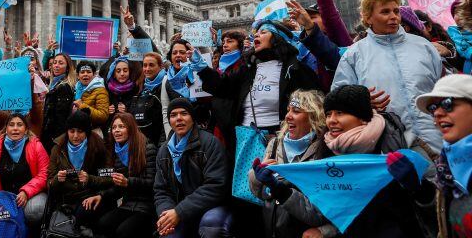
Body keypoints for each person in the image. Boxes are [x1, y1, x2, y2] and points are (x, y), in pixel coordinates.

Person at [304, 84, 431, 237]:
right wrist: (282, 192)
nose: (331, 120)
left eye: (340, 113)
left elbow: (435, 202)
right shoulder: (324, 148)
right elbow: (326, 209)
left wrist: (417, 187)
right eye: (328, 114)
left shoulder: (398, 140)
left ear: (362, 117)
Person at [332, 0, 444, 154]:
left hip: (434, 137)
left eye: (396, 11)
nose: (393, 16)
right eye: (385, 11)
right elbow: (338, 99)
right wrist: (361, 102)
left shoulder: (424, 46)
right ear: (367, 17)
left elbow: (442, 88)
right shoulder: (354, 55)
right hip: (386, 142)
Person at [248, 89, 331, 237]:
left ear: (314, 116)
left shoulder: (324, 149)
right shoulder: (275, 143)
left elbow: (327, 208)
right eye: (288, 110)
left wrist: (281, 189)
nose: (288, 116)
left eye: (296, 111)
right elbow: (262, 195)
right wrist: (257, 177)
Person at [153, 98, 232, 237]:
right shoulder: (164, 150)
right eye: (173, 115)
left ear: (192, 118)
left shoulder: (210, 143)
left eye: (184, 113)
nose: (179, 118)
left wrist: (179, 212)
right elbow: (161, 190)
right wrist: (167, 214)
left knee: (211, 226)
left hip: (212, 207)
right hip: (179, 210)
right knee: (167, 232)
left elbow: (216, 186)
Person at [415, 74, 472, 237]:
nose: (437, 114)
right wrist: (420, 191)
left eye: (447, 104)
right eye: (433, 109)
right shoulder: (446, 170)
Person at [0, 113, 49, 231]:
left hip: (30, 196)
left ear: (26, 130)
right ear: (6, 129)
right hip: (3, 197)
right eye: (11, 125)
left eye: (19, 125)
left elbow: (44, 173)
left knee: (35, 210)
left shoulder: (36, 146)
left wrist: (26, 192)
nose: (15, 128)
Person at [46, 109, 112, 230]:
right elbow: (49, 184)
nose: (75, 136)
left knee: (84, 215)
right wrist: (57, 179)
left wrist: (90, 179)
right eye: (72, 131)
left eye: (80, 131)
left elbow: (109, 178)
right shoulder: (57, 148)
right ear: (67, 131)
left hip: (90, 196)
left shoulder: (99, 146)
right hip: (65, 199)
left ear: (87, 132)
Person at [97, 112, 158, 238]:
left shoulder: (148, 148)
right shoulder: (118, 152)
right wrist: (100, 196)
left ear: (131, 128)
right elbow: (118, 187)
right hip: (128, 204)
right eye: (114, 127)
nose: (116, 131)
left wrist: (128, 182)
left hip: (147, 206)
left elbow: (152, 183)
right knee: (103, 224)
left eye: (121, 126)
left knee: (124, 231)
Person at [128, 51, 166, 147]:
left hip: (158, 142)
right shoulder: (140, 86)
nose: (147, 69)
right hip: (140, 142)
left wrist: (162, 144)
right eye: (145, 65)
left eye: (151, 65)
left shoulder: (166, 84)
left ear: (161, 66)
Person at [41, 52, 76, 152]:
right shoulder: (55, 84)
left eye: (61, 63)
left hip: (54, 137)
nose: (56, 65)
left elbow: (61, 117)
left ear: (67, 67)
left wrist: (56, 140)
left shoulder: (64, 87)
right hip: (49, 134)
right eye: (55, 63)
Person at [74, 62, 110, 129]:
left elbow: (103, 116)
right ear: (78, 76)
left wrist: (82, 106)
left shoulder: (101, 90)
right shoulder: (74, 88)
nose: (85, 74)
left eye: (88, 72)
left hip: (92, 130)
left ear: (94, 74)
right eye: (82, 72)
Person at [106, 56, 139, 125]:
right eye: (118, 71)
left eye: (125, 70)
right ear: (114, 74)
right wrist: (106, 110)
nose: (122, 74)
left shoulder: (136, 88)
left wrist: (127, 110)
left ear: (130, 72)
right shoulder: (107, 89)